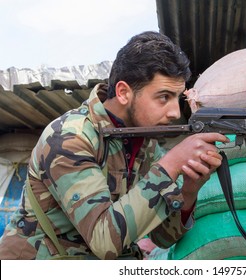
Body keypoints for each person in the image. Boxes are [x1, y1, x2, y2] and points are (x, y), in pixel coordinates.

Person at [0, 31, 228, 260]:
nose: (175, 112)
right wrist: (170, 164)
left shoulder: (144, 144)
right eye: (163, 97)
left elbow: (162, 238)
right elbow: (104, 241)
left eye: (177, 98)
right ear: (123, 93)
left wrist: (189, 190)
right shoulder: (69, 137)